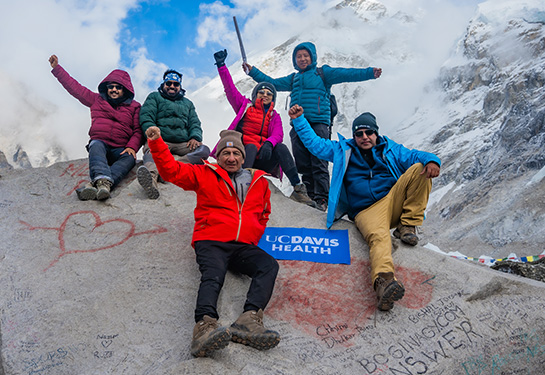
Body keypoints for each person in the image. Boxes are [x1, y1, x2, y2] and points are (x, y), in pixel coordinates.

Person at [288, 104, 441, 312]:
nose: (364, 137)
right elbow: (316, 145)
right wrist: (299, 120)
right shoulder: (343, 150)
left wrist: (432, 160)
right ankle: (384, 283)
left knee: (419, 169)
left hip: (391, 200)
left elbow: (413, 156)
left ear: (376, 133)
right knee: (379, 239)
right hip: (366, 211)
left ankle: (408, 226)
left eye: (369, 132)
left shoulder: (390, 148)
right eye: (359, 133)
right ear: (354, 136)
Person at [144, 126, 280, 357]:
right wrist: (156, 143)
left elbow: (264, 213)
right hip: (211, 240)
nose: (231, 158)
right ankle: (205, 327)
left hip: (243, 245)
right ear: (218, 157)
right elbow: (171, 171)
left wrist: (252, 234)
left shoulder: (259, 181)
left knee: (268, 265)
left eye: (236, 154)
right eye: (225, 154)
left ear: (242, 157)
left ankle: (248, 320)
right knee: (213, 275)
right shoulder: (205, 173)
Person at [243, 42, 382, 211]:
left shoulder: (323, 74)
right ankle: (308, 197)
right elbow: (272, 83)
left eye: (305, 55)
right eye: (299, 56)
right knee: (302, 163)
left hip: (318, 123)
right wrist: (252, 72)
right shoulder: (293, 79)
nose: (302, 59)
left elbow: (347, 74)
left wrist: (370, 73)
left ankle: (322, 199)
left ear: (312, 57)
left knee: (319, 161)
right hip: (297, 125)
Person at [212, 49, 313, 206]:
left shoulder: (274, 116)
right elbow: (230, 89)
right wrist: (221, 65)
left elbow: (278, 134)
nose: (265, 95)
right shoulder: (244, 107)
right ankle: (239, 184)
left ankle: (298, 188)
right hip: (245, 156)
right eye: (261, 92)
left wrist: (268, 143)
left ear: (273, 98)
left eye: (269, 93)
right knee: (251, 146)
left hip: (265, 156)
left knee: (281, 147)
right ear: (255, 95)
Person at [49, 55, 143, 201]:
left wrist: (132, 147)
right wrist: (57, 69)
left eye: (118, 87)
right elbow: (75, 88)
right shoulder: (96, 100)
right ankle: (104, 183)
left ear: (125, 90)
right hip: (101, 143)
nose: (113, 90)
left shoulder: (135, 107)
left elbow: (138, 130)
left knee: (130, 158)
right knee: (95, 145)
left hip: (121, 147)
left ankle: (95, 185)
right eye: (111, 86)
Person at [138, 69, 210, 199]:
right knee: (151, 151)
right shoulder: (154, 97)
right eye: (169, 83)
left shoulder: (188, 103)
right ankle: (151, 179)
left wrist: (195, 137)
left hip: (183, 143)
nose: (172, 86)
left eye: (175, 84)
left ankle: (173, 167)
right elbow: (146, 116)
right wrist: (152, 131)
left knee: (203, 150)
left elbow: (194, 122)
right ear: (163, 84)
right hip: (160, 140)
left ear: (180, 86)